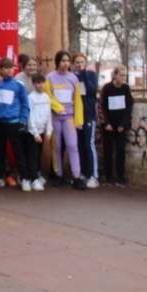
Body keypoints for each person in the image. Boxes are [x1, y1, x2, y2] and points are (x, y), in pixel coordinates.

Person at [0, 57, 32, 190]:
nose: (8, 70)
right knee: (0, 152)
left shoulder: (18, 85)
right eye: (6, 68)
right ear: (1, 70)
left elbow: (25, 104)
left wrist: (23, 120)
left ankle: (24, 178)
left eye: (10, 68)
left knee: (18, 151)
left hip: (14, 122)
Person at [47, 50, 86, 190]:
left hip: (69, 117)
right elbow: (48, 96)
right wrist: (58, 108)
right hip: (55, 117)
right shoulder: (50, 77)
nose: (65, 63)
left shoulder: (73, 78)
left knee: (72, 145)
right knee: (56, 146)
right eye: (63, 60)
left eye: (67, 61)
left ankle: (77, 176)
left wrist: (79, 120)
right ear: (58, 62)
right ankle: (58, 174)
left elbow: (77, 100)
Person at [99, 65, 134, 187]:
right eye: (121, 75)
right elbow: (101, 105)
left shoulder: (126, 88)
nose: (123, 78)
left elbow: (129, 106)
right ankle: (108, 177)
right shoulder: (107, 88)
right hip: (108, 126)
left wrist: (124, 124)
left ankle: (120, 177)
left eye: (125, 75)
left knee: (121, 151)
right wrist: (106, 123)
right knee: (107, 151)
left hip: (120, 126)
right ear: (115, 75)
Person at [73, 52, 100, 188]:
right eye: (77, 63)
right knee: (79, 145)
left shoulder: (90, 75)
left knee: (88, 144)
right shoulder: (72, 77)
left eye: (82, 62)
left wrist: (83, 75)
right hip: (77, 115)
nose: (80, 65)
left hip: (88, 114)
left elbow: (92, 90)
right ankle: (83, 172)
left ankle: (93, 175)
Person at [26, 72, 53, 191]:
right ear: (33, 84)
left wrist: (48, 131)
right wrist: (35, 133)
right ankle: (33, 179)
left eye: (42, 83)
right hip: (32, 132)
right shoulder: (30, 98)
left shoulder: (46, 97)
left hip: (42, 130)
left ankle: (36, 174)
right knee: (32, 155)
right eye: (37, 83)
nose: (40, 85)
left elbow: (48, 115)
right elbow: (30, 117)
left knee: (38, 155)